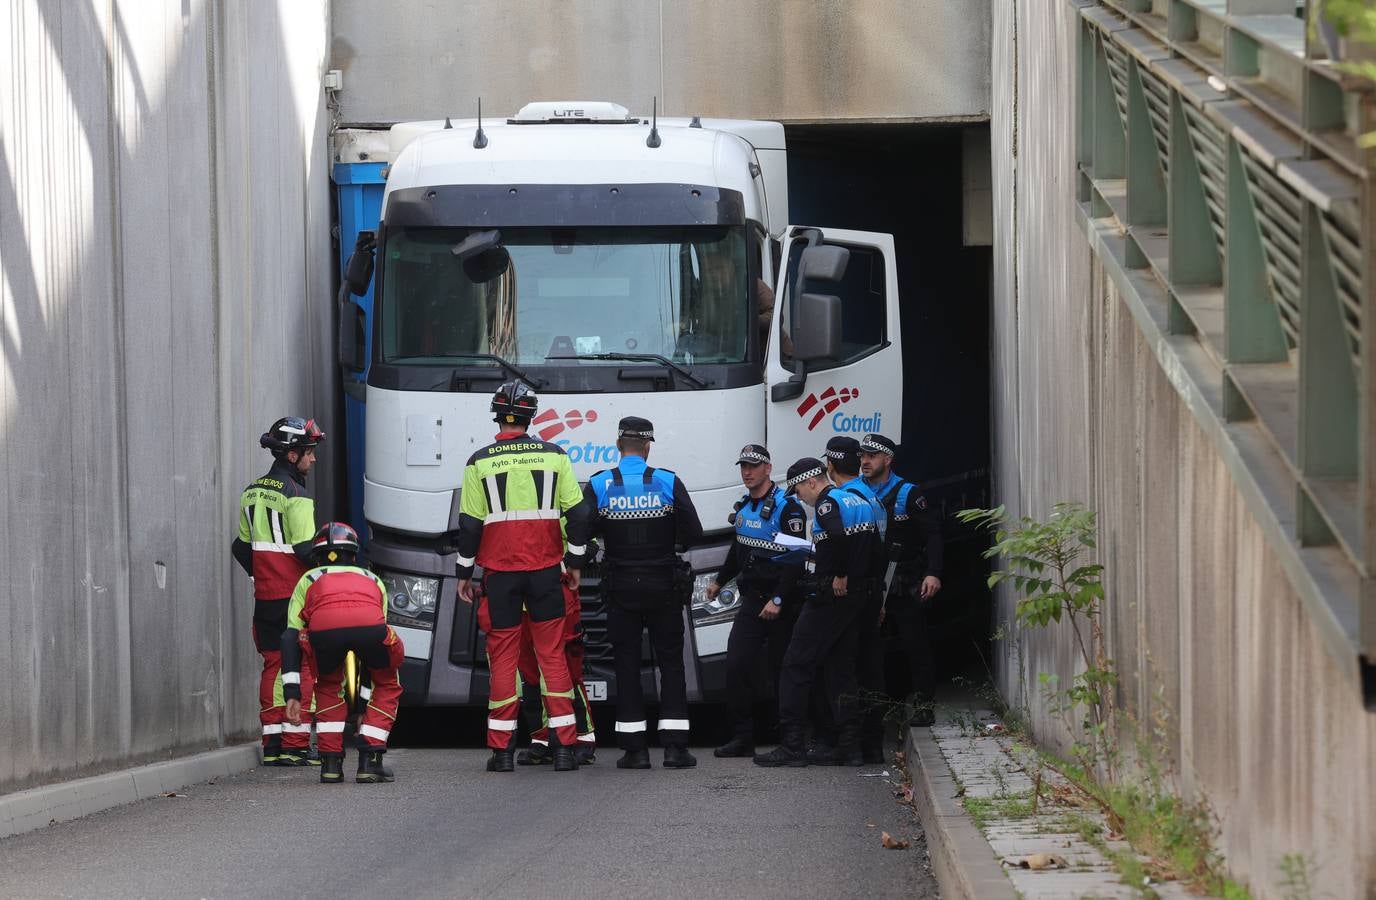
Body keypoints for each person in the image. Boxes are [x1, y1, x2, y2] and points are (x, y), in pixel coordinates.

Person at [456, 381, 593, 773]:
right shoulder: (554, 456)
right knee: (552, 657)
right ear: (531, 416)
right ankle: (565, 749)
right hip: (547, 572)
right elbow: (580, 515)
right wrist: (576, 563)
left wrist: (464, 572)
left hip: (499, 576)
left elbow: (469, 524)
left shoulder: (479, 461)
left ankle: (501, 752)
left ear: (498, 415)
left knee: (504, 660)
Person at [585, 416, 704, 769]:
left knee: (626, 664)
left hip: (621, 586)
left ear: (619, 446)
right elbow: (693, 532)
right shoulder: (667, 480)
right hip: (664, 584)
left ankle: (634, 751)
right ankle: (675, 748)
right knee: (670, 662)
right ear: (648, 447)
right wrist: (671, 544)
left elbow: (582, 530)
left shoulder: (600, 483)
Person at [754, 457, 882, 768]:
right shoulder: (858, 498)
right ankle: (850, 747)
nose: (800, 499)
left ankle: (792, 745)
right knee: (841, 669)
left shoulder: (828, 503)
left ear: (812, 482)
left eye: (798, 491)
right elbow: (875, 549)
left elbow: (837, 537)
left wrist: (838, 572)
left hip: (830, 597)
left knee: (795, 665)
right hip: (858, 597)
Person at [231, 416, 323, 766]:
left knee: (272, 664)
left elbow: (241, 547)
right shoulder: (297, 495)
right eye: (309, 453)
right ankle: (297, 745)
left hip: (265, 598)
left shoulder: (252, 490)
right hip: (294, 599)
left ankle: (272, 745)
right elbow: (305, 550)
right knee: (303, 668)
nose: (313, 459)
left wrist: (261, 576)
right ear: (291, 455)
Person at [280, 522, 403, 784]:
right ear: (355, 554)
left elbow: (291, 637)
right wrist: (361, 707)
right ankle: (370, 760)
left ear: (316, 556)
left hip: (324, 633)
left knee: (327, 685)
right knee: (388, 683)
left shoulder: (308, 579)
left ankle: (331, 764)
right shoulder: (373, 580)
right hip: (371, 628)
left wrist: (292, 695)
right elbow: (374, 653)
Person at [707, 444, 809, 758]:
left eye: (753, 466)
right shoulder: (743, 508)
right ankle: (742, 737)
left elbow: (796, 559)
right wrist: (718, 581)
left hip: (783, 602)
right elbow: (738, 553)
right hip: (752, 602)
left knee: (784, 671)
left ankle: (791, 740)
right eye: (743, 467)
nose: (747, 472)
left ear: (768, 468)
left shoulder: (787, 508)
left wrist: (779, 599)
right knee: (736, 666)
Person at [860, 433, 945, 728]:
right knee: (870, 647)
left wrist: (933, 572)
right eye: (862, 456)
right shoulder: (855, 492)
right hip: (871, 581)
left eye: (871, 456)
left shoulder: (908, 493)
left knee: (915, 644)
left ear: (887, 459)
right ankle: (875, 708)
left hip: (905, 578)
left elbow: (932, 535)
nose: (865, 461)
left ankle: (923, 706)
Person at [516, 577, 598, 766]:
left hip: (557, 597)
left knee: (569, 672)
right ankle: (541, 739)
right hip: (519, 603)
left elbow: (588, 547)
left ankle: (583, 737)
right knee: (530, 676)